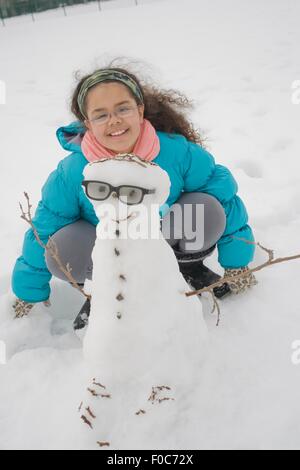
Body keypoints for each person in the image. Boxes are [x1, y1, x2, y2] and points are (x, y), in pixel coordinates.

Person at [11, 65, 257, 327]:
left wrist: (237, 263)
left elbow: (223, 196)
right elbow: (46, 227)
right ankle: (104, 291)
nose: (114, 120)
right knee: (60, 245)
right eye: (101, 114)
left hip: (163, 239)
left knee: (206, 206)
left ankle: (183, 268)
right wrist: (29, 292)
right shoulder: (73, 172)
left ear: (140, 110)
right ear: (88, 123)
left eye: (123, 109)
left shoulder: (174, 151)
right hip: (105, 250)